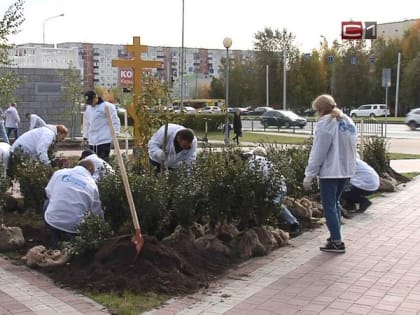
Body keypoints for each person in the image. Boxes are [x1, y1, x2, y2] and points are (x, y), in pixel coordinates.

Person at [303, 94, 357, 253]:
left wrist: (309, 174)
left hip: (331, 172)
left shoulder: (326, 123)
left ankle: (337, 241)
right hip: (345, 170)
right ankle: (335, 236)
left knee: (329, 207)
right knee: (335, 204)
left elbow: (318, 151)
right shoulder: (347, 120)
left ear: (320, 110)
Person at [242, 147, 301, 237]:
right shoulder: (265, 161)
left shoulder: (255, 162)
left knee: (274, 205)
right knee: (273, 205)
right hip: (277, 187)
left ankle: (294, 224)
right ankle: (261, 223)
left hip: (275, 188)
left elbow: (255, 179)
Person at [43, 159, 104, 248]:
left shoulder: (59, 173)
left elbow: (48, 192)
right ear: (90, 171)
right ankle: (69, 243)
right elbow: (96, 212)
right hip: (75, 228)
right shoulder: (92, 185)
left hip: (52, 221)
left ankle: (54, 241)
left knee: (48, 202)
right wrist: (102, 229)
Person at [82, 91, 121, 162]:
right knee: (91, 162)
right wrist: (85, 137)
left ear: (95, 98)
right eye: (89, 102)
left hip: (104, 140)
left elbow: (115, 121)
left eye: (91, 101)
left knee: (103, 162)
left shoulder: (107, 106)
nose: (91, 104)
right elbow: (87, 124)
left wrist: (115, 135)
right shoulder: (88, 108)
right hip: (92, 141)